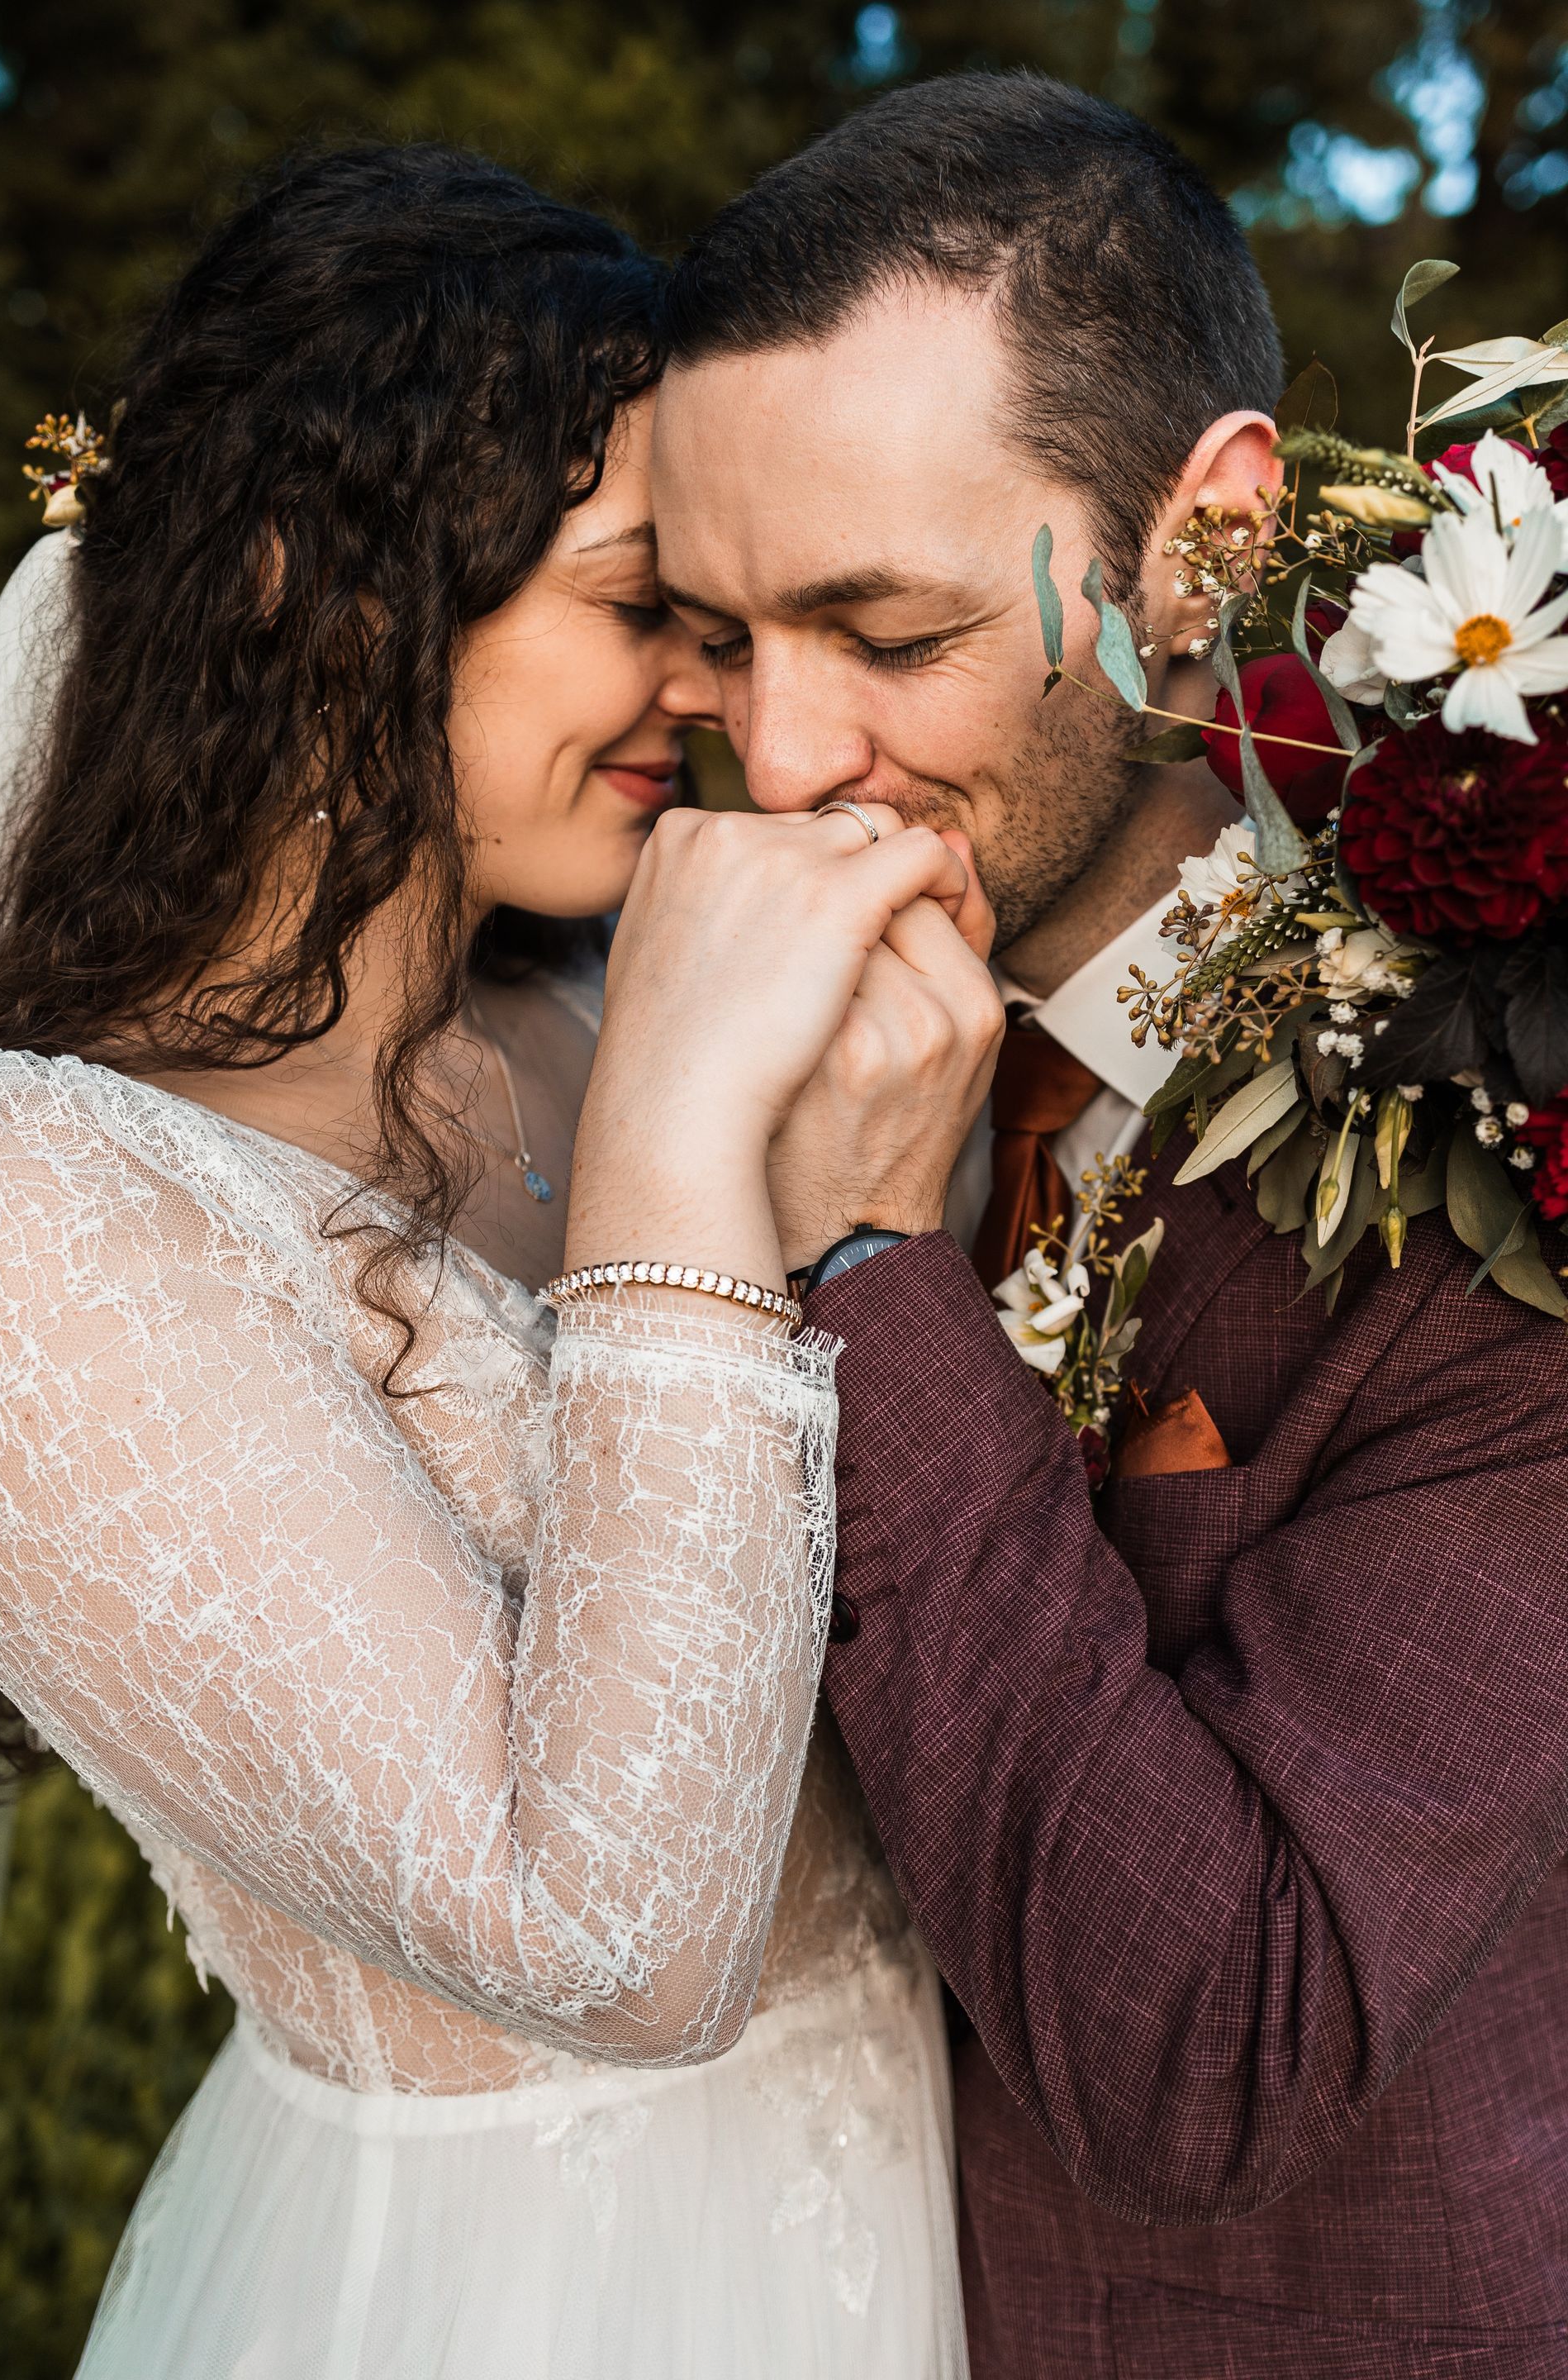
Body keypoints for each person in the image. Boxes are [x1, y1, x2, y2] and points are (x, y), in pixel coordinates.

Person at [0, 145, 1000, 2377]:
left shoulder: (574, 1017)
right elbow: (612, 1940)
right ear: (311, 581)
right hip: (550, 2294)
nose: (714, 695)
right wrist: (672, 1149)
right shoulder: (33, 1212)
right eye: (643, 598)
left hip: (942, 2214)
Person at [654, 71, 1568, 2380]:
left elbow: (1220, 2046)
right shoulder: (700, 1026)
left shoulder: (1510, 1155)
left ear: (1202, 547)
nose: (783, 756)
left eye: (881, 629)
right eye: (724, 633)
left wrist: (876, 1264)